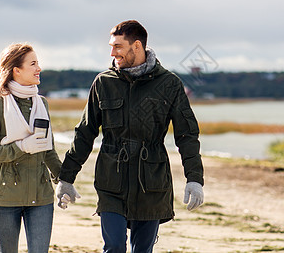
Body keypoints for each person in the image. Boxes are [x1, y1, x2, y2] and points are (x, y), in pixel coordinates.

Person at [55, 20, 205, 253]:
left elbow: (187, 135)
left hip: (152, 182)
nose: (112, 52)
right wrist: (66, 178)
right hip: (111, 179)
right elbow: (85, 132)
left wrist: (194, 179)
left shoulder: (169, 84)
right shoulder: (104, 82)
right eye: (111, 46)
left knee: (142, 251)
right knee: (114, 247)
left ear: (137, 46)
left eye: (118, 46)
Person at [0, 43, 62, 253]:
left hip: (41, 196)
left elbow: (47, 149)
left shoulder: (42, 103)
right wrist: (22, 146)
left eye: (38, 63)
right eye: (33, 64)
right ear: (17, 70)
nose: (38, 68)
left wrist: (64, 179)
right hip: (5, 197)